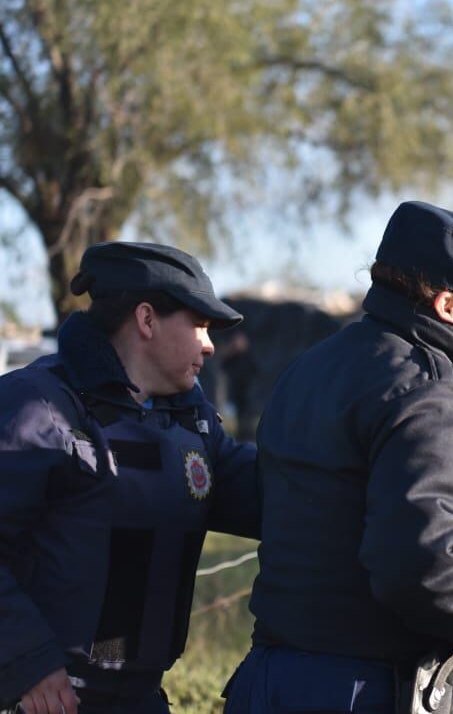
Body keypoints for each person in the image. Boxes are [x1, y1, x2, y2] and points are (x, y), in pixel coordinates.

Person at [223, 202, 453, 714]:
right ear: (449, 306)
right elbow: (426, 565)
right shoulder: (435, 398)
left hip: (267, 678)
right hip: (358, 687)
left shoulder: (311, 368)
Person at [0, 242, 259, 714]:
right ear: (146, 320)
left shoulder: (190, 419)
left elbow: (262, 493)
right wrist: (27, 663)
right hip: (48, 698)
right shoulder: (37, 406)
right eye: (198, 323)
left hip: (139, 696)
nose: (209, 343)